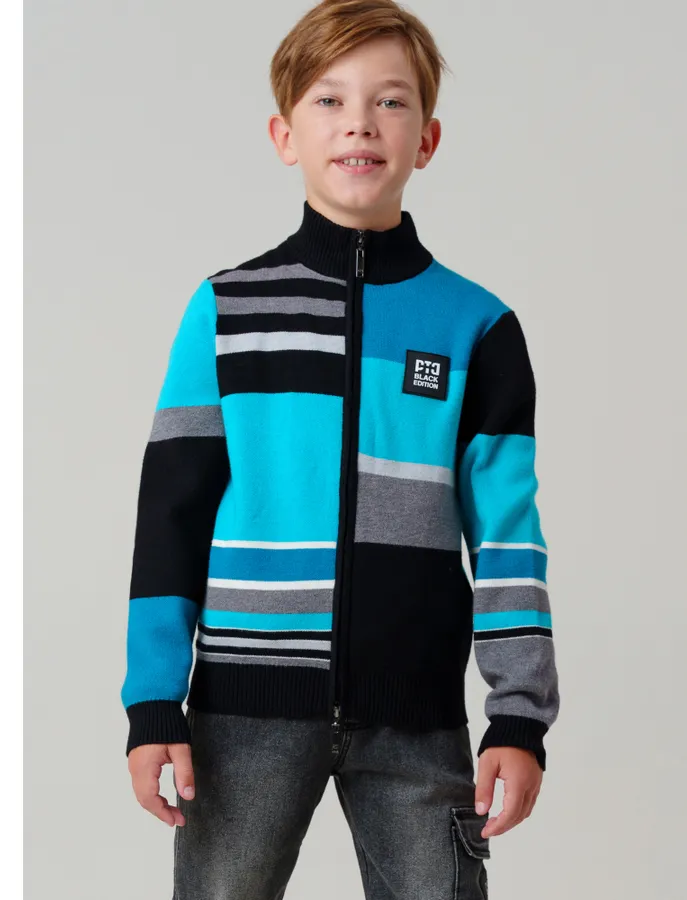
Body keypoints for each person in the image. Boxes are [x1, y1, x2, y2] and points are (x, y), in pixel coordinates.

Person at [120, 1, 560, 896]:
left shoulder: (477, 327)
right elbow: (170, 518)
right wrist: (153, 698)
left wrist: (518, 717)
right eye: (329, 100)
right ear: (285, 135)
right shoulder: (226, 311)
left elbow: (509, 537)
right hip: (241, 714)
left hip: (417, 718)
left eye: (390, 101)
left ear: (427, 139)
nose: (360, 122)